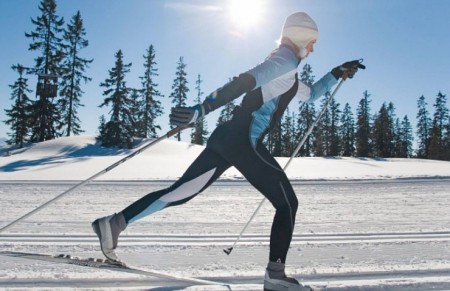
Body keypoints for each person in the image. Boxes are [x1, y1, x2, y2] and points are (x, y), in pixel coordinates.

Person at [92, 12, 364, 291]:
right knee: (287, 204)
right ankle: (275, 276)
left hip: (228, 137)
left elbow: (311, 94)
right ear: (302, 37)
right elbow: (244, 81)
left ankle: (114, 224)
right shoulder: (285, 60)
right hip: (244, 138)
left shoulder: (288, 69)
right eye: (312, 42)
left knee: (179, 192)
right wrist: (202, 109)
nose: (313, 49)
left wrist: (336, 73)